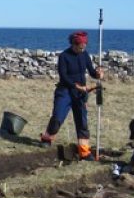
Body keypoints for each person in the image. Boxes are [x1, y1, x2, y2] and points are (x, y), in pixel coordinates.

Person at [39, 30, 103, 159]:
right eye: (80, 47)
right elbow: (64, 76)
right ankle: (47, 139)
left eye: (84, 46)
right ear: (74, 44)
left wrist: (97, 74)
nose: (82, 49)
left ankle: (84, 152)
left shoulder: (85, 55)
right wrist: (76, 86)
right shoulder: (64, 56)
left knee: (82, 122)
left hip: (80, 95)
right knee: (57, 117)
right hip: (65, 91)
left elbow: (91, 71)